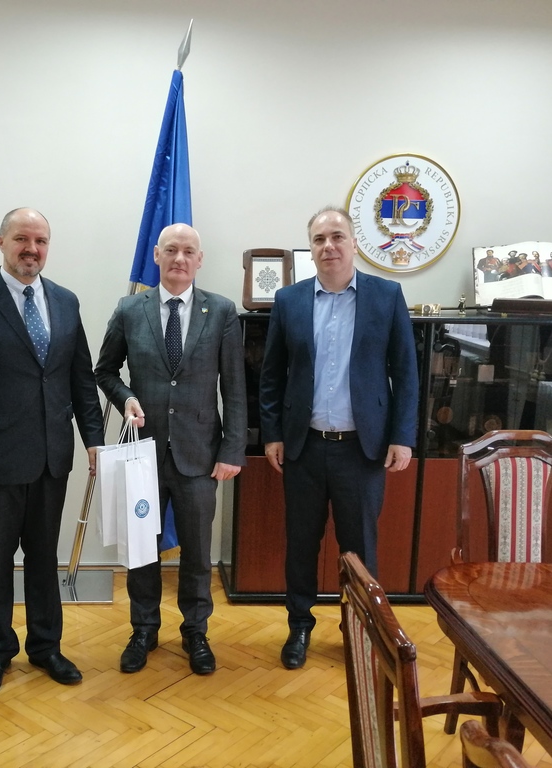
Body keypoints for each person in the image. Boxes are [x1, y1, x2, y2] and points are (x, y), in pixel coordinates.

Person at [0, 207, 105, 698]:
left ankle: (46, 646)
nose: (32, 249)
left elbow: (80, 378)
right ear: (1, 242)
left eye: (41, 241)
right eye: (22, 239)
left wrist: (93, 439)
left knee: (43, 555)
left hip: (53, 457)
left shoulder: (66, 301)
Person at [258, 205, 418, 670]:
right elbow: (272, 376)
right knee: (301, 544)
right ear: (310, 249)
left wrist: (402, 436)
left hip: (362, 450)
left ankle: (361, 631)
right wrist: (272, 434)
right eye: (319, 239)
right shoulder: (289, 300)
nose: (328, 246)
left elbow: (406, 372)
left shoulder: (386, 296)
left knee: (360, 549)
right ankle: (299, 627)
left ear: (354, 244)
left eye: (337, 237)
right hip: (304, 447)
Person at [95, 223, 247, 676]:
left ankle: (195, 631)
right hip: (142, 456)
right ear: (157, 256)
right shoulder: (130, 309)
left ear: (199, 260)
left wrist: (232, 450)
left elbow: (235, 388)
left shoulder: (221, 312)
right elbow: (104, 371)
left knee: (198, 552)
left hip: (200, 455)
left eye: (189, 252)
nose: (180, 258)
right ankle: (143, 630)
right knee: (142, 548)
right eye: (172, 250)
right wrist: (126, 398)